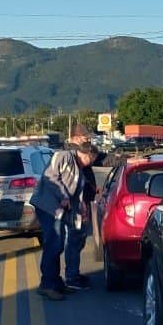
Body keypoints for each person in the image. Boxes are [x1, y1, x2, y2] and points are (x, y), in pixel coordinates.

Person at [29, 125, 100, 300]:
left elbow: (76, 193)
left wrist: (81, 207)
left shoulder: (80, 170)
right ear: (84, 154)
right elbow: (51, 176)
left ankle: (56, 281)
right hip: (47, 206)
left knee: (58, 244)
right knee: (54, 243)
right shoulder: (64, 156)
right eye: (90, 159)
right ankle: (47, 284)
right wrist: (63, 195)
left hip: (60, 210)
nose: (90, 163)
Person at [64, 124, 100, 291]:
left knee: (78, 240)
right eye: (86, 137)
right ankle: (71, 277)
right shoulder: (72, 156)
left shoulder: (81, 153)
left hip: (81, 204)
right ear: (76, 138)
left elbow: (103, 158)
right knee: (74, 240)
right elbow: (71, 185)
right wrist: (80, 204)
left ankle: (74, 274)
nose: (88, 139)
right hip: (76, 206)